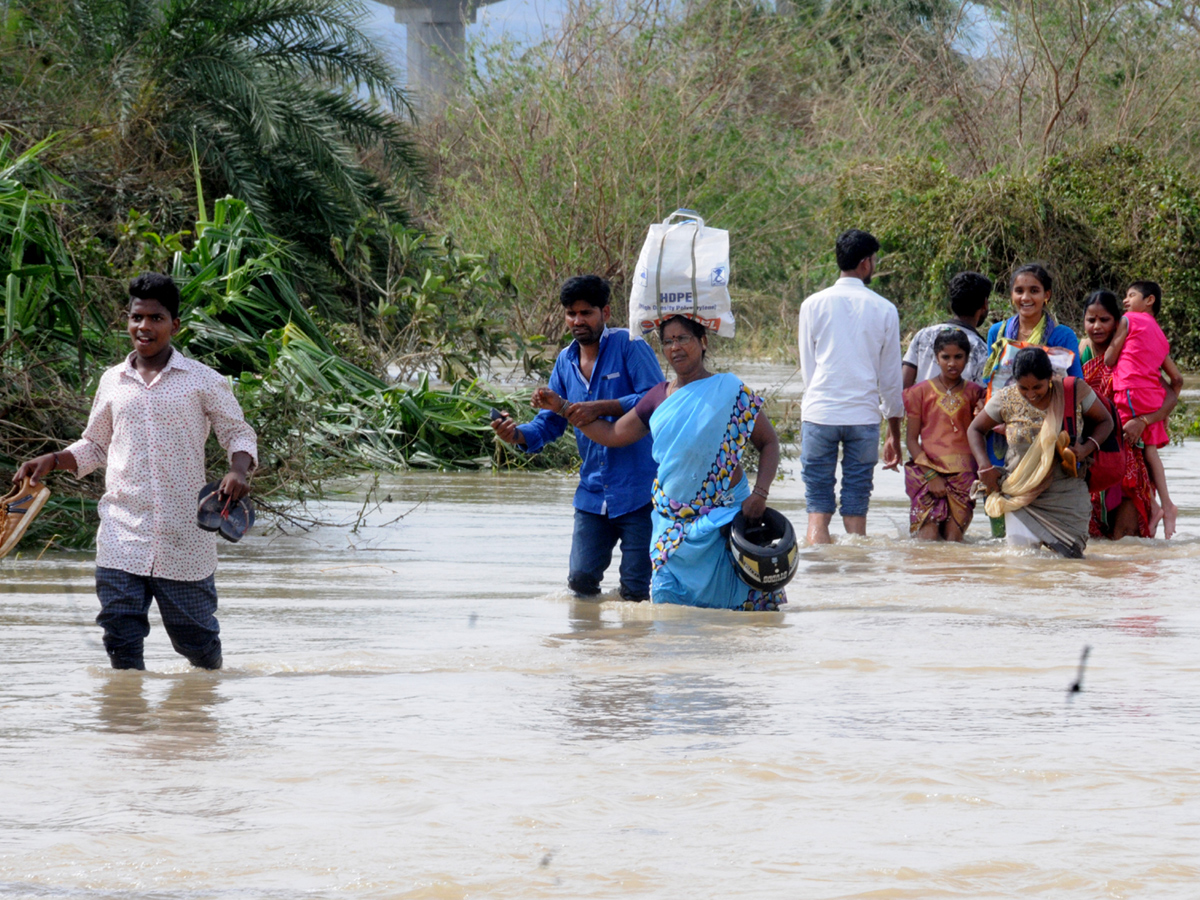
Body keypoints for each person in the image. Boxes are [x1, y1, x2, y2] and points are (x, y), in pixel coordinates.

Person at [12, 273, 257, 670]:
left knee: (197, 644)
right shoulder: (113, 381)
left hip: (185, 538)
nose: (144, 327)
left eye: (156, 318)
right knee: (120, 637)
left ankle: (204, 708)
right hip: (122, 533)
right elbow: (94, 445)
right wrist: (54, 459)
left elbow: (238, 432)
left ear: (174, 325)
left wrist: (239, 471)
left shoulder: (203, 381)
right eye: (137, 317)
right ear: (128, 321)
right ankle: (128, 724)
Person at [531, 315, 784, 610]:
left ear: (702, 342)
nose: (675, 347)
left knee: (735, 609)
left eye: (683, 338)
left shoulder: (729, 389)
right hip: (672, 526)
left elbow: (769, 443)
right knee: (666, 609)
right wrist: (562, 407)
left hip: (724, 519)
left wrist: (760, 494)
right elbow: (613, 434)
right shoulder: (657, 397)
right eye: (667, 341)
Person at [491, 275, 662, 601]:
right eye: (571, 314)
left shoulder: (630, 345)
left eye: (586, 313)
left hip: (640, 492)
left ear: (606, 313)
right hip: (593, 494)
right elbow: (549, 424)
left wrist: (602, 406)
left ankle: (637, 648)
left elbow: (655, 398)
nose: (577, 321)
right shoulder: (565, 362)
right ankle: (588, 646)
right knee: (581, 582)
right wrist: (515, 435)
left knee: (637, 590)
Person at [797, 229, 903, 544]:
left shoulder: (812, 304)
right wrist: (894, 434)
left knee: (817, 502)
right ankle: (856, 574)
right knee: (857, 499)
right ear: (865, 263)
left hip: (819, 414)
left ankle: (819, 574)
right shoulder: (884, 309)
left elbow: (809, 369)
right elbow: (890, 379)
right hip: (863, 418)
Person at [967, 347, 1113, 558]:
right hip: (1020, 495)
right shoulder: (1006, 398)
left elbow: (1105, 421)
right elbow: (975, 429)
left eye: (1038, 387)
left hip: (1066, 497)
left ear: (1050, 378)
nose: (1031, 394)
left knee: (1069, 566)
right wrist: (984, 467)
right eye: (1023, 388)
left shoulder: (1072, 392)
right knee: (1022, 563)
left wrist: (1086, 448)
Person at [1104, 280, 1184, 538]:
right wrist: (1160, 415)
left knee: (1127, 448)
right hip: (1152, 396)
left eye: (1131, 295)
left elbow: (1109, 358)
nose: (1125, 301)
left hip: (1130, 391)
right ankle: (1165, 505)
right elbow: (1177, 380)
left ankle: (1154, 505)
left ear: (1149, 300)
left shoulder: (1129, 319)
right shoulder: (1160, 334)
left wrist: (1114, 347)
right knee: (1148, 452)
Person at [903, 330, 985, 541]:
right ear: (936, 358)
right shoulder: (919, 393)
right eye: (945, 357)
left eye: (958, 357)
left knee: (953, 541)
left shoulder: (976, 393)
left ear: (967, 359)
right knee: (927, 539)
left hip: (963, 477)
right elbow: (911, 440)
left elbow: (982, 432)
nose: (952, 363)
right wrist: (931, 476)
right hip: (927, 473)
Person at [984, 263, 1084, 382]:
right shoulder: (997, 332)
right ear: (1012, 294)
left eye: (1034, 291)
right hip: (1004, 400)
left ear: (1046, 295)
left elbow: (1076, 384)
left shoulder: (1063, 336)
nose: (1025, 297)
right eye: (1019, 291)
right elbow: (990, 380)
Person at [902, 271, 992, 388]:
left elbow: (903, 387)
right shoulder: (982, 350)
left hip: (919, 406)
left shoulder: (924, 335)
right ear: (985, 303)